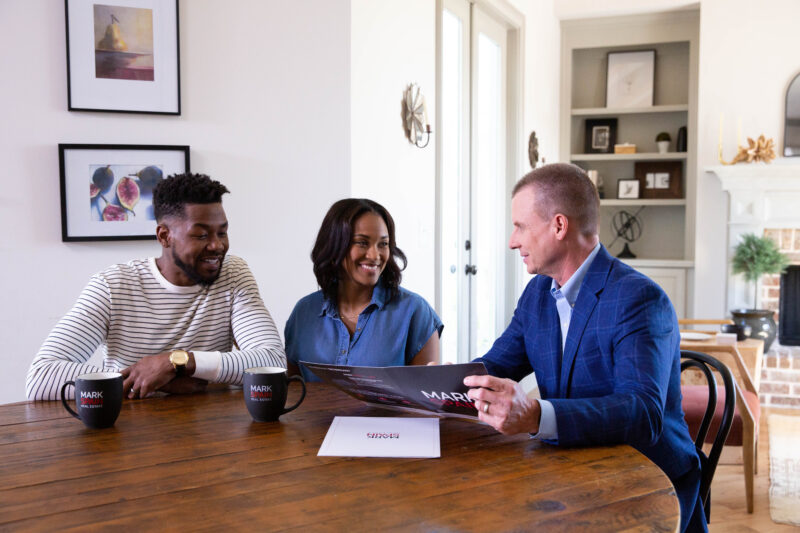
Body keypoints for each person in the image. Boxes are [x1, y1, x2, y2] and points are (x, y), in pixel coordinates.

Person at [463, 163, 706, 533]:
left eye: (521, 226)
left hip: (647, 482)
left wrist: (535, 416)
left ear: (559, 226)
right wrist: (442, 382)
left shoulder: (639, 298)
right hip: (568, 470)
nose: (512, 241)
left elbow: (643, 412)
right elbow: (496, 365)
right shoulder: (538, 292)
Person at [26, 173, 285, 401]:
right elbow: (41, 376)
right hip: (127, 432)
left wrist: (177, 362)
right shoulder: (113, 286)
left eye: (222, 233)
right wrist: (151, 381)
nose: (217, 245)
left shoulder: (232, 273)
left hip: (214, 428)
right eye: (201, 235)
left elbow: (273, 361)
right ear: (164, 236)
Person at [285, 198, 442, 381]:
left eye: (383, 244)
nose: (375, 255)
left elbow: (425, 394)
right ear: (335, 244)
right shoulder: (304, 313)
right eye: (362, 242)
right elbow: (294, 391)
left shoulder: (415, 311)